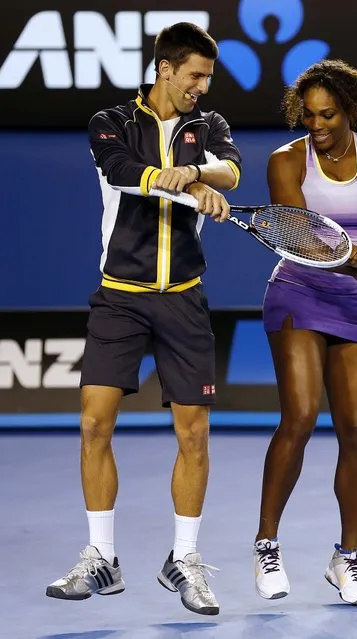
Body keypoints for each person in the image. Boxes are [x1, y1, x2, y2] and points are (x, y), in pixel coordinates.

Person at [45, 22, 242, 616]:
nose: (202, 88)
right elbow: (120, 172)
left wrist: (205, 176)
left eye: (207, 78)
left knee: (193, 433)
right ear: (165, 68)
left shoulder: (208, 128)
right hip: (120, 298)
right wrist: (173, 178)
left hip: (183, 298)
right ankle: (101, 557)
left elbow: (230, 169)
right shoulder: (110, 122)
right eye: (195, 76)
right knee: (94, 424)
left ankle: (184, 559)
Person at [253, 59, 357, 606]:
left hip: (355, 298)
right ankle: (266, 543)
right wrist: (355, 264)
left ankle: (349, 557)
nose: (314, 125)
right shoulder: (285, 160)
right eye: (307, 115)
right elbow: (303, 237)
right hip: (299, 290)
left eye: (327, 115)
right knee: (298, 417)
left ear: (354, 112)